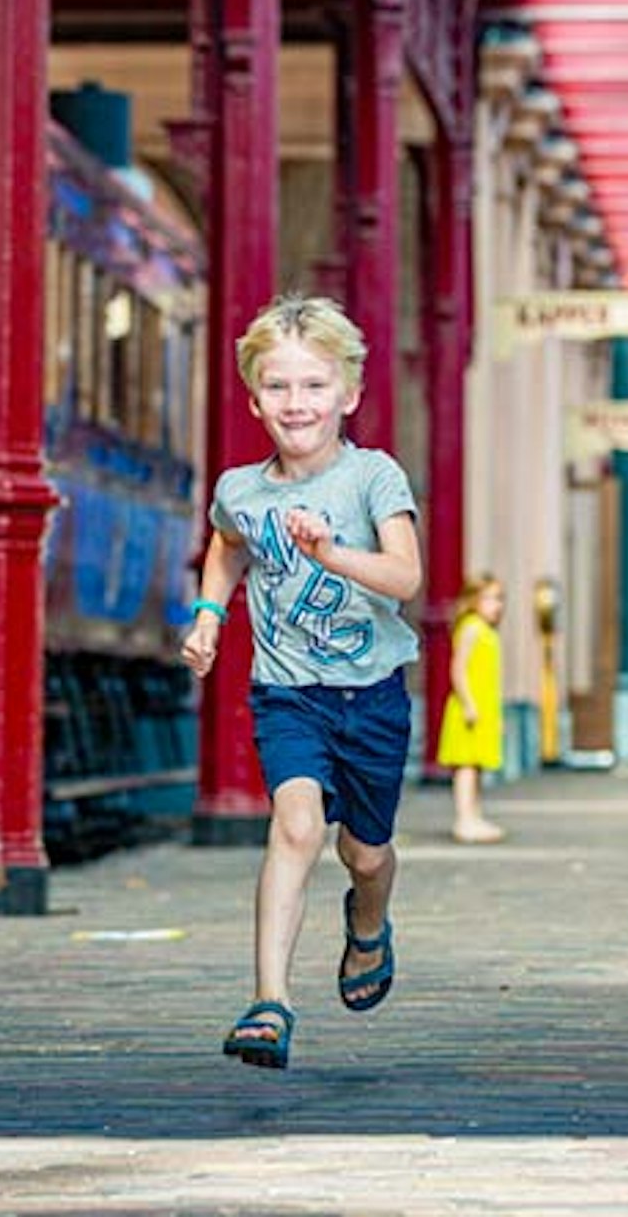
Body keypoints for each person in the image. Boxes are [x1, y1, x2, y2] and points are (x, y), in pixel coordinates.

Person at [181, 295, 424, 1072]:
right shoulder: (241, 491)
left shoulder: (372, 478)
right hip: (289, 694)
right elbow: (226, 544)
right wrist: (211, 614)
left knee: (366, 855)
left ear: (348, 395)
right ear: (255, 399)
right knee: (294, 826)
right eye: (279, 388)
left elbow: (406, 576)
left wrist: (330, 555)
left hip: (373, 694)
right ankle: (269, 1003)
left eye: (315, 386)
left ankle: (369, 925)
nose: (297, 404)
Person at [437, 572, 507, 844]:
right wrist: (468, 703)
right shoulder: (472, 627)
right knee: (466, 766)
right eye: (490, 598)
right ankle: (464, 818)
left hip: (484, 707)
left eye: (500, 598)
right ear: (473, 600)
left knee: (477, 766)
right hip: (469, 708)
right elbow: (459, 669)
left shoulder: (487, 631)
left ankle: (475, 815)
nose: (497, 604)